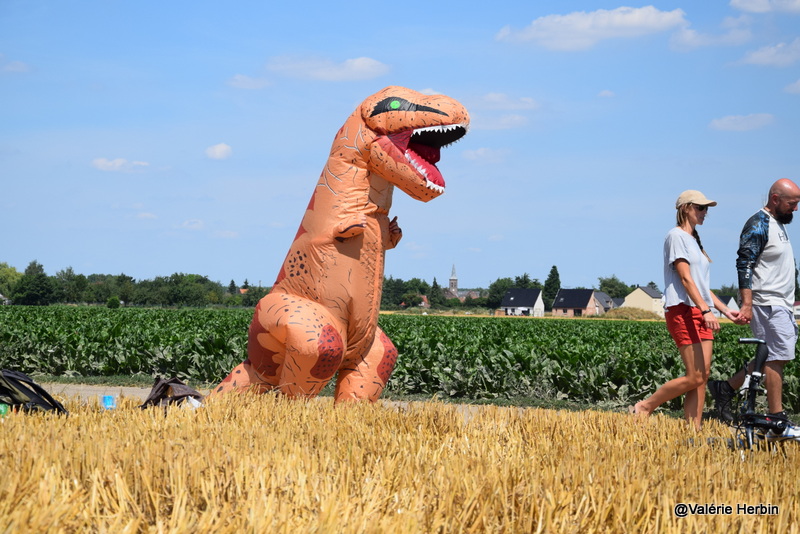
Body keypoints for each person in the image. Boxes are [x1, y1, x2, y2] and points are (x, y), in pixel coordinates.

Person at [631, 190, 740, 430]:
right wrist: (705, 311)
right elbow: (685, 279)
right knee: (695, 376)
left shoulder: (694, 241)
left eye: (706, 209)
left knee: (702, 377)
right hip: (683, 309)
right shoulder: (676, 236)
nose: (705, 213)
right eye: (700, 208)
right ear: (686, 208)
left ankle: (694, 428)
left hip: (699, 310)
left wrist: (725, 310)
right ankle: (646, 406)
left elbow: (702, 286)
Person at [708, 178, 800, 440]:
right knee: (776, 358)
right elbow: (744, 263)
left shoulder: (777, 224)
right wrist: (747, 303)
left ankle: (725, 388)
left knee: (768, 356)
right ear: (775, 199)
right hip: (767, 302)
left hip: (779, 302)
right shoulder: (759, 223)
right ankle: (775, 419)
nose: (795, 209)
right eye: (792, 204)